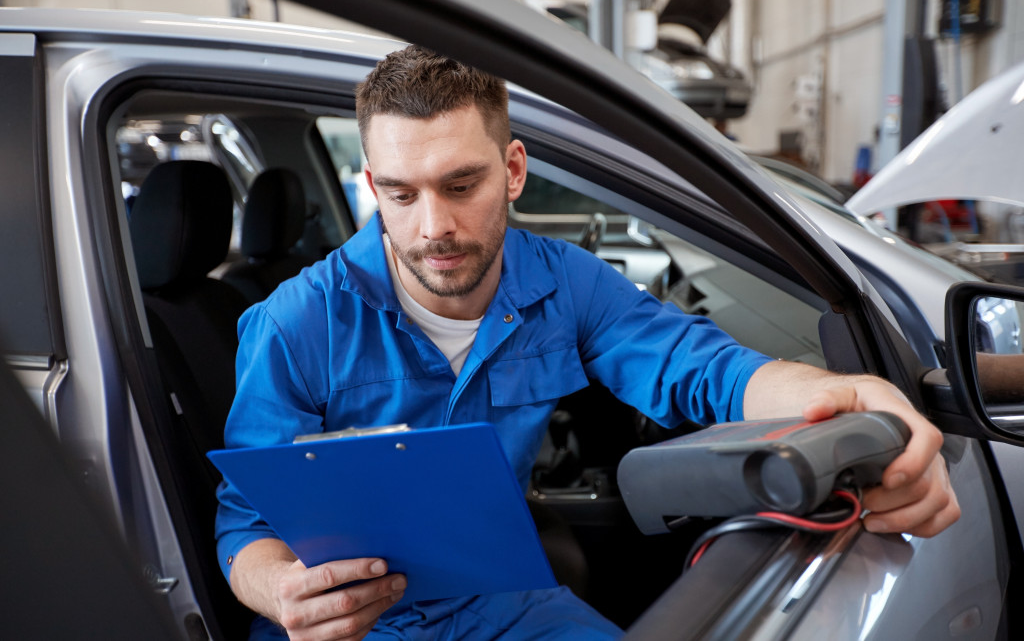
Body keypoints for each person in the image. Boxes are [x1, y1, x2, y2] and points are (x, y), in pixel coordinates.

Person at [215, 45, 960, 641]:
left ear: (512, 171)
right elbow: (245, 523)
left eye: (461, 184)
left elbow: (706, 370)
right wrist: (284, 591)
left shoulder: (565, 283)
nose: (432, 226)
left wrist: (847, 395)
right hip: (354, 623)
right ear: (374, 186)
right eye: (403, 195)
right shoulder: (296, 323)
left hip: (505, 604)